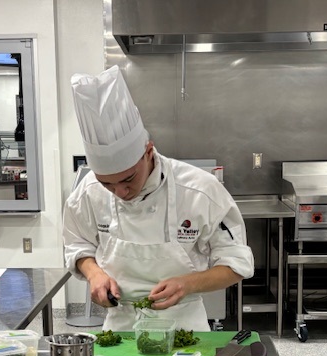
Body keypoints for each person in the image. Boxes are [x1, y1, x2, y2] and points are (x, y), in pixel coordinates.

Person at [63, 65, 254, 331]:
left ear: (148, 152)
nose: (120, 192)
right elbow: (78, 246)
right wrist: (94, 274)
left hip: (185, 325)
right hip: (120, 327)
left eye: (128, 179)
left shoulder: (200, 190)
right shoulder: (87, 192)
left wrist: (188, 283)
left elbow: (237, 263)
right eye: (107, 183)